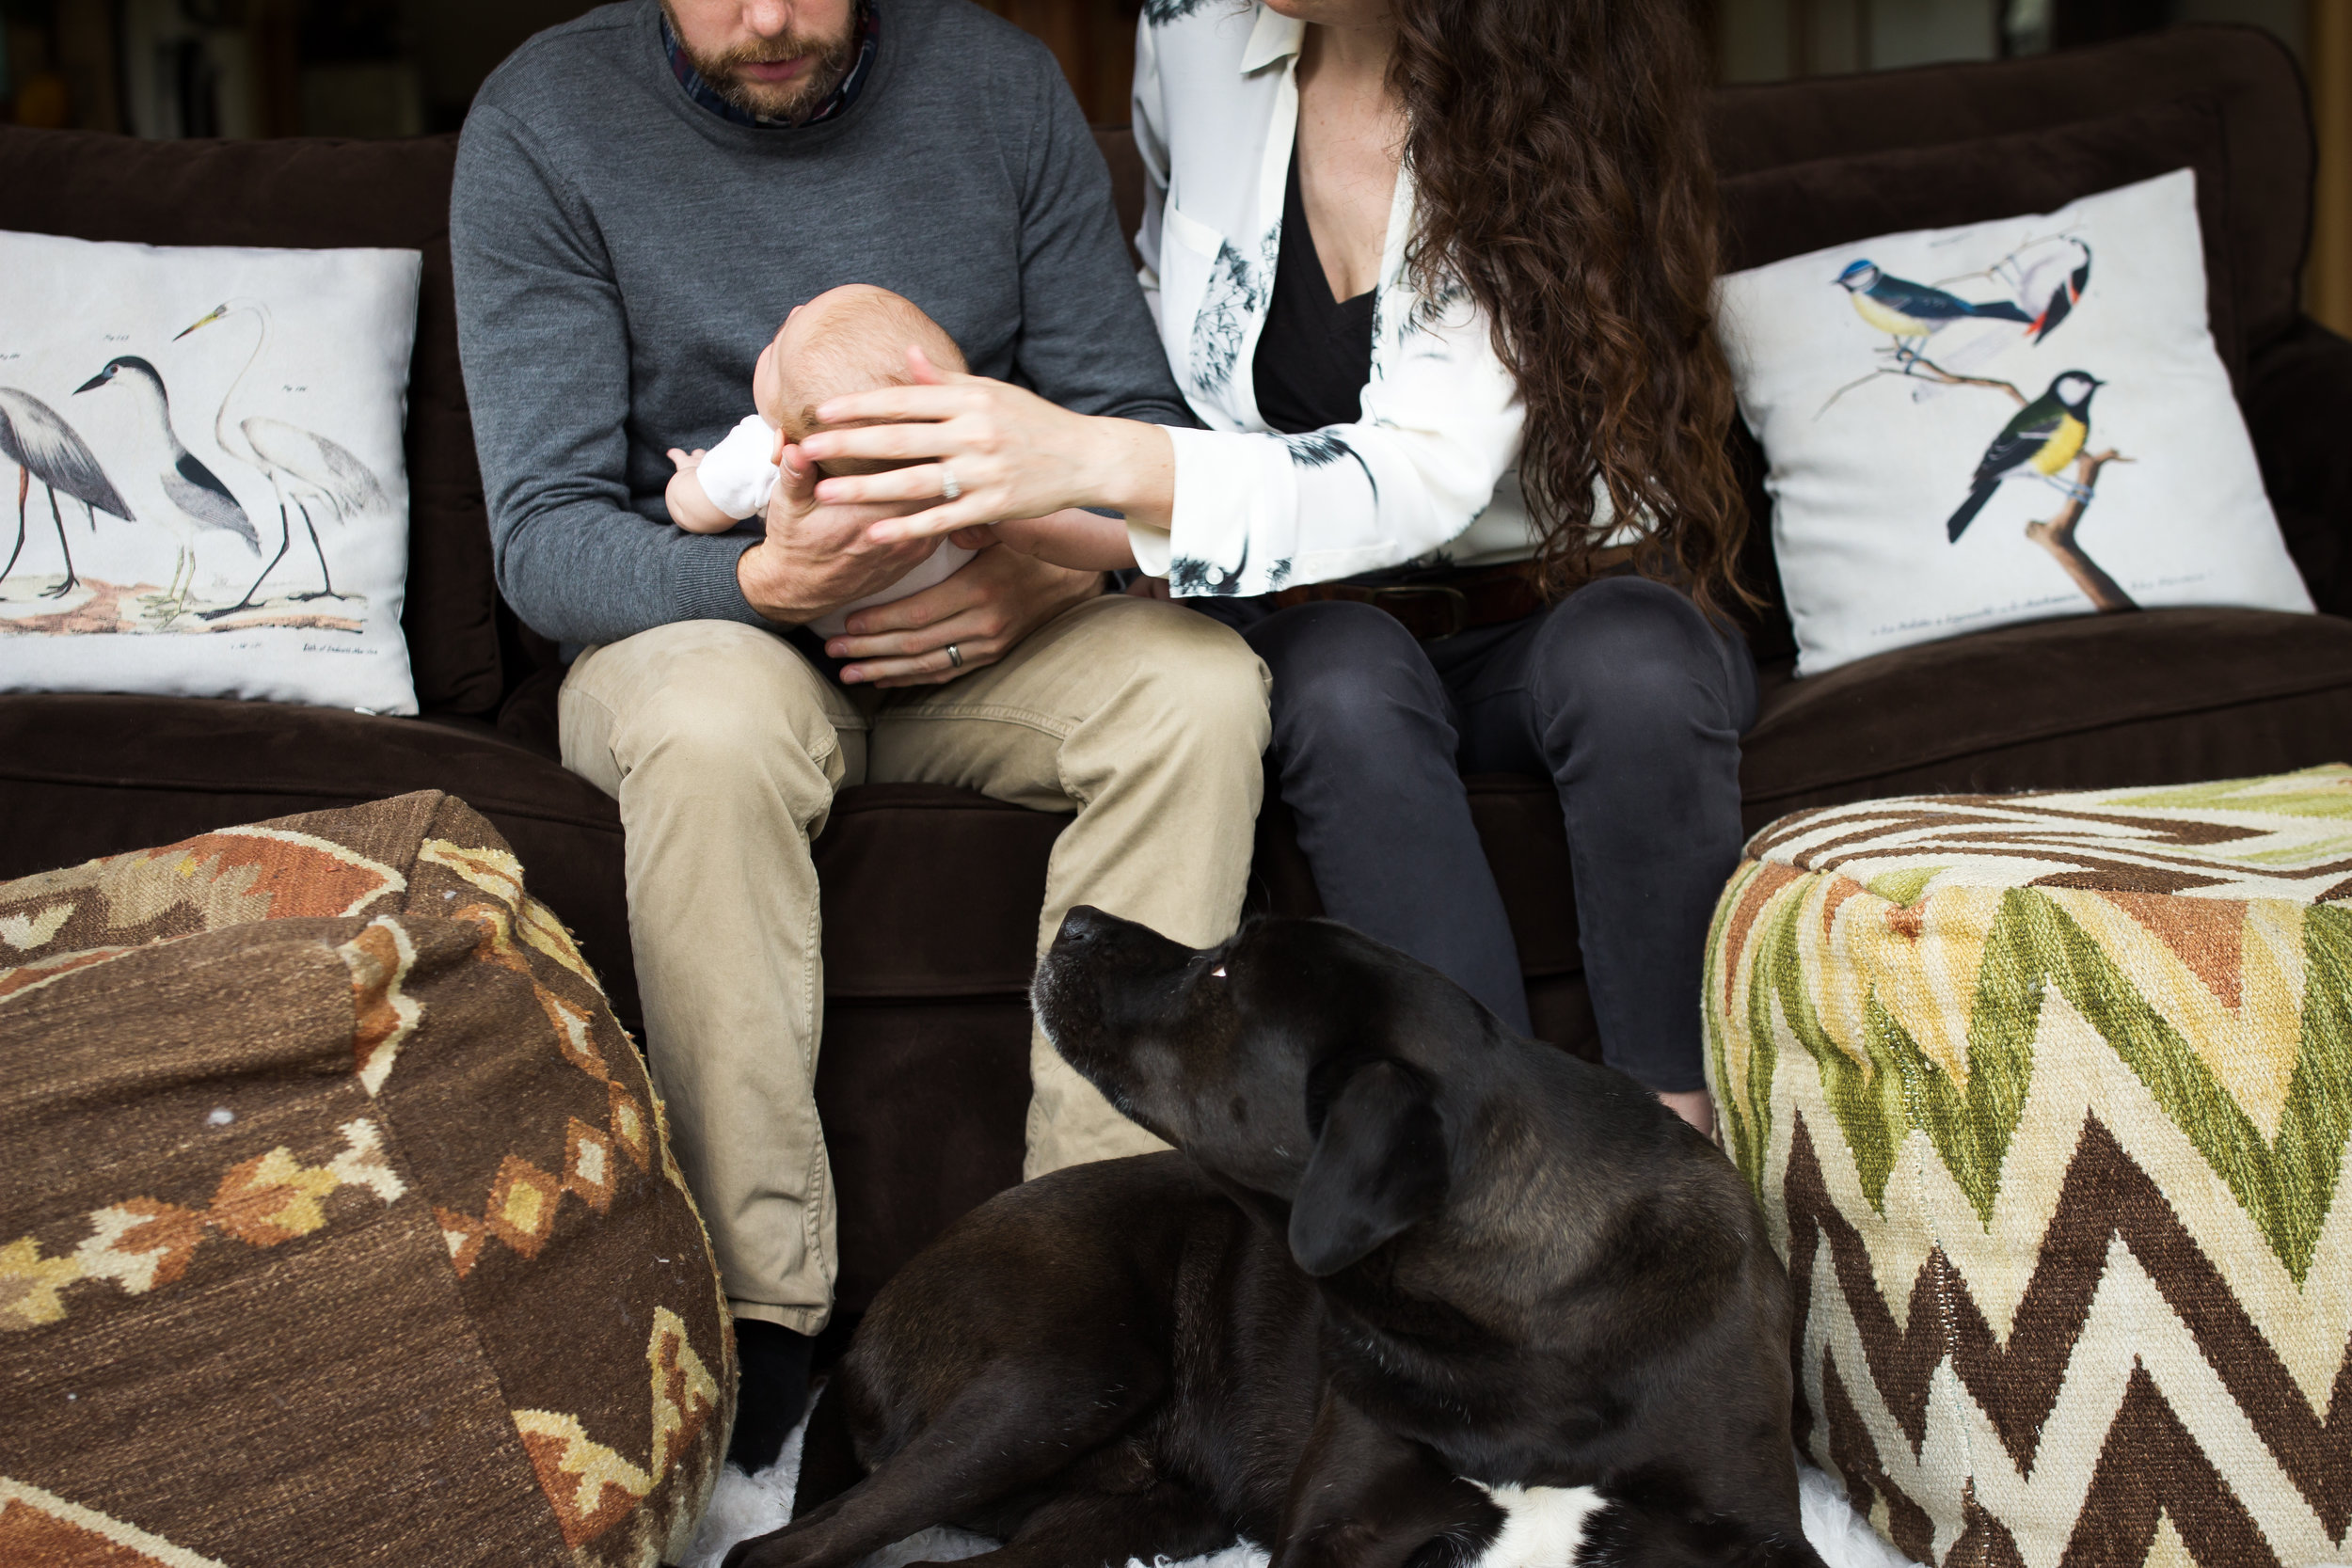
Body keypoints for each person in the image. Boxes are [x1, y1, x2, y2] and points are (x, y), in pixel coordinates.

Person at [450, 0, 1272, 1471]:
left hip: (983, 620)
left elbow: (1136, 428)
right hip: (707, 630)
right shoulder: (540, 123)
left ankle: (1097, 1269)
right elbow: (547, 538)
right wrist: (758, 578)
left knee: (1199, 687)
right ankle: (757, 1312)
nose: (766, 20)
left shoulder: (1001, 90)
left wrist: (1042, 569)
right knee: (710, 725)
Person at [793, 0, 1754, 1137]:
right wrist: (1061, 542)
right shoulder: (1191, 30)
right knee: (1337, 678)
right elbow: (1162, 330)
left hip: (1555, 602)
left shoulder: (1557, 93)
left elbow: (1422, 472)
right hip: (1313, 615)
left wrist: (1091, 457)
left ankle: (1684, 1142)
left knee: (1629, 656)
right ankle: (1487, 1161)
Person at [664, 285, 975, 637]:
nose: (794, 311)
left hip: (842, 637)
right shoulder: (962, 450)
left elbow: (694, 512)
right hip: (954, 612)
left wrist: (691, 473)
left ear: (782, 442)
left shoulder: (762, 448)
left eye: (775, 351)